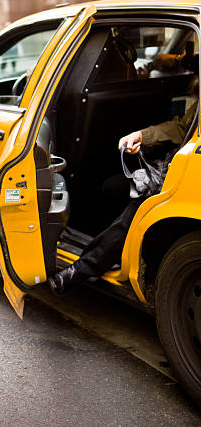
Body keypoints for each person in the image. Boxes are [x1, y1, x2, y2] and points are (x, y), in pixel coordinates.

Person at [48, 94, 198, 295]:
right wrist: (142, 136)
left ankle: (81, 269)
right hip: (170, 170)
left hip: (186, 178)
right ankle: (116, 248)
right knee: (112, 187)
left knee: (139, 211)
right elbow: (182, 128)